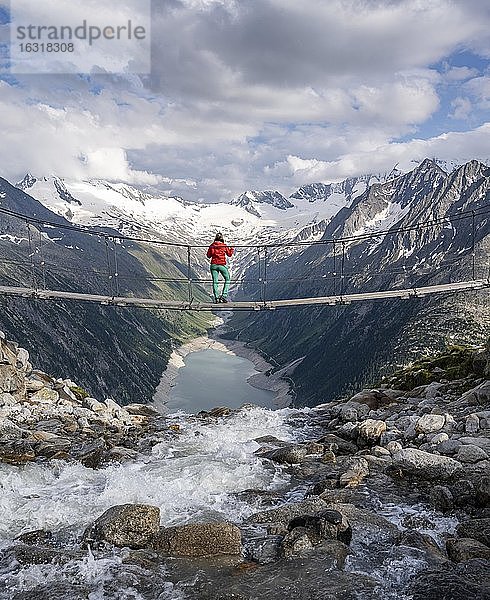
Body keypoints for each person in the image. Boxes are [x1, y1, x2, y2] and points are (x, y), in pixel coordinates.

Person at [206, 232, 234, 303]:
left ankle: (216, 298)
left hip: (213, 265)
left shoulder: (212, 245)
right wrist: (231, 249)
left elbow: (208, 255)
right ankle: (224, 296)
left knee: (215, 281)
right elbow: (229, 254)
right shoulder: (224, 246)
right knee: (227, 278)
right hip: (221, 265)